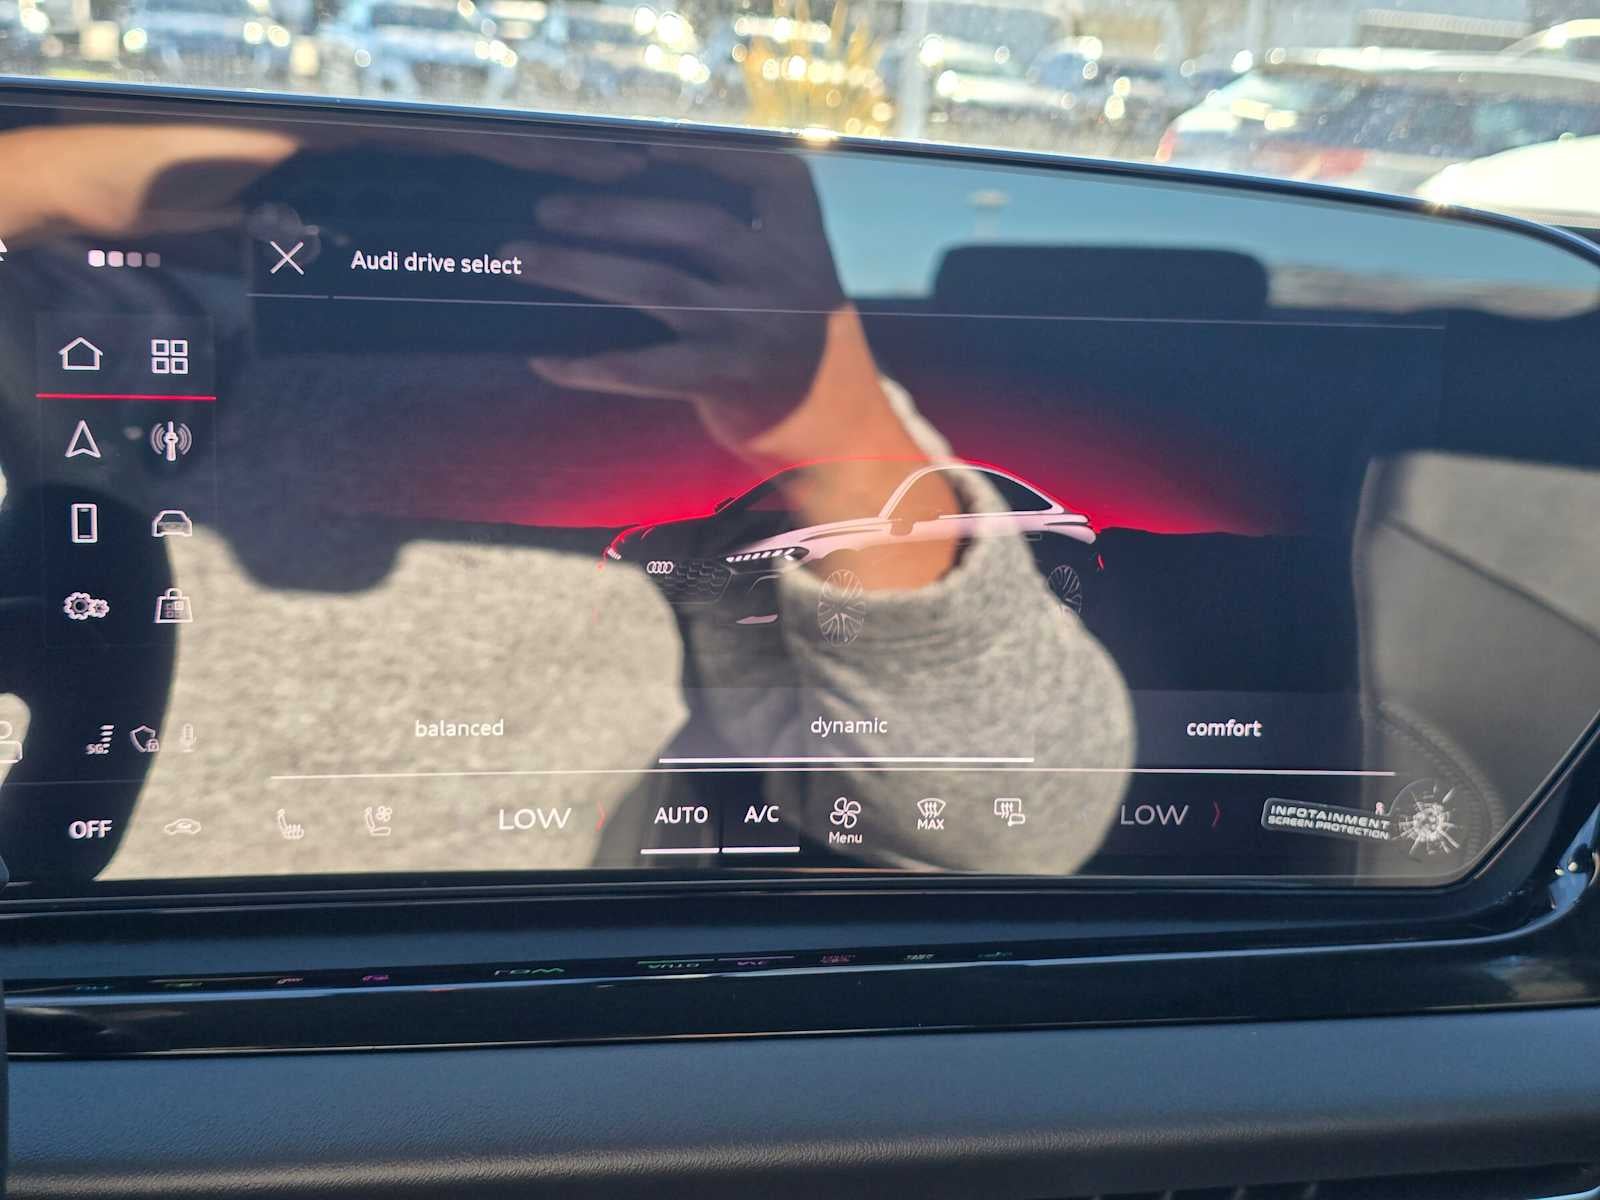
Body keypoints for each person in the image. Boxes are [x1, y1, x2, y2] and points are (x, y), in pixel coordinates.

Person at [0, 115, 1132, 881]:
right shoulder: (43, 279)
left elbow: (1016, 820)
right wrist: (89, 182)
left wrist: (831, 434)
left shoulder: (675, 360)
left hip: (487, 1040)